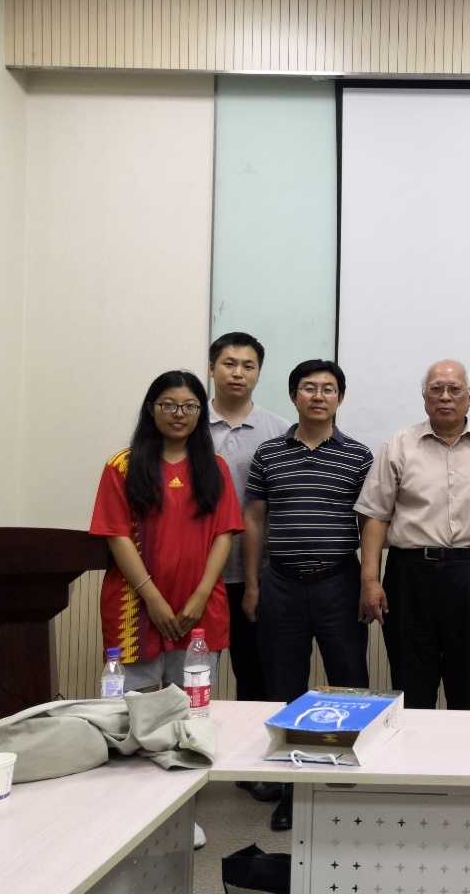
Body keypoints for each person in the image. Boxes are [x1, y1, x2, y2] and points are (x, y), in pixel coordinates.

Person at [89, 369, 243, 853]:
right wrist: (153, 598)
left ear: (200, 413)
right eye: (169, 405)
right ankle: (129, 816)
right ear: (151, 408)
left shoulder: (214, 466)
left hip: (200, 610)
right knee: (131, 716)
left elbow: (224, 534)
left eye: (190, 406)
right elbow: (116, 536)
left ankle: (181, 813)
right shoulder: (122, 465)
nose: (180, 414)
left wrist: (198, 596)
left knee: (189, 717)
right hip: (135, 609)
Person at [243, 359, 374, 831]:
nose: (319, 396)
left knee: (350, 687)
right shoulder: (269, 454)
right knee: (284, 690)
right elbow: (254, 519)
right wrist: (253, 584)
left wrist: (369, 581)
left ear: (341, 398)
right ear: (293, 395)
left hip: (340, 583)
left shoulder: (358, 456)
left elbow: (370, 522)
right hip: (280, 584)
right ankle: (292, 793)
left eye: (329, 389)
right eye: (309, 388)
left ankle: (349, 786)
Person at [356, 360, 470, 710]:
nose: (445, 397)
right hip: (409, 574)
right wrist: (370, 580)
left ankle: (464, 746)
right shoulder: (398, 446)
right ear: (424, 396)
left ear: (469, 397)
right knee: (412, 684)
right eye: (436, 389)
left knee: (468, 682)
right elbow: (375, 516)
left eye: (454, 389)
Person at [206, 332, 289, 805]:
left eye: (248, 365)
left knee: (258, 677)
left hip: (258, 577)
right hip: (200, 580)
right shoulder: (190, 425)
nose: (238, 372)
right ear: (212, 368)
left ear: (259, 372)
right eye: (229, 363)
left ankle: (259, 767)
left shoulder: (279, 430)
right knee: (193, 677)